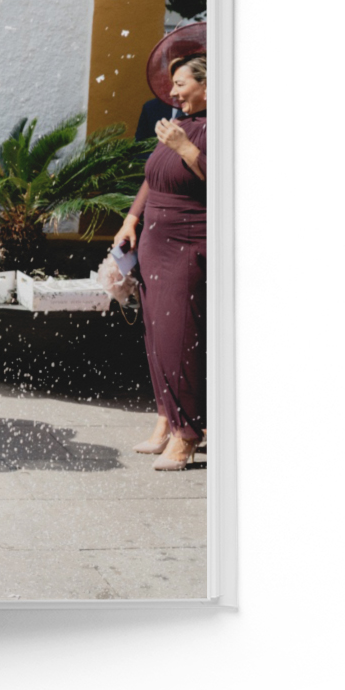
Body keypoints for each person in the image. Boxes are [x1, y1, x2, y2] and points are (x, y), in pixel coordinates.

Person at [113, 54, 209, 471]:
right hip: (155, 241)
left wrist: (184, 147)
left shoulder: (221, 126)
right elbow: (152, 176)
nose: (172, 92)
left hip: (189, 241)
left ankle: (188, 434)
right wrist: (131, 219)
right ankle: (167, 419)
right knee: (157, 337)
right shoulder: (179, 123)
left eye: (181, 84)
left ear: (208, 85)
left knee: (178, 336)